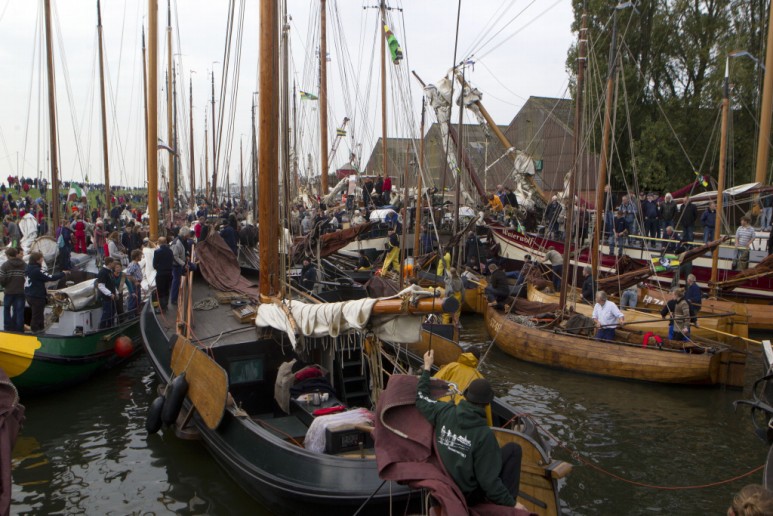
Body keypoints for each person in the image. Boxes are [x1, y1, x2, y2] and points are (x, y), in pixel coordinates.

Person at [417, 349, 522, 509]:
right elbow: (489, 484)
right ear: (487, 403)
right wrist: (514, 504)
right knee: (514, 450)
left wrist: (426, 367)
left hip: (445, 484)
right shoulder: (484, 435)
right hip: (467, 495)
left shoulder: (443, 411)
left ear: (466, 395)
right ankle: (504, 511)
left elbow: (422, 397)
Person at [24, 251, 68, 332]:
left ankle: (41, 329)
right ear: (37, 260)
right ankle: (35, 331)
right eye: (41, 258)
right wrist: (63, 273)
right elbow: (51, 277)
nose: (42, 260)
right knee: (37, 315)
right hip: (37, 296)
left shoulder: (28, 268)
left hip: (29, 295)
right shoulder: (37, 270)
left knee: (39, 314)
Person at [0, 248, 26, 331]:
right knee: (19, 311)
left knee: (7, 309)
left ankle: (7, 328)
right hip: (20, 291)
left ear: (8, 255)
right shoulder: (24, 264)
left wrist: (5, 285)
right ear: (16, 254)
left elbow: (2, 279)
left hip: (9, 291)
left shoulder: (5, 265)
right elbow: (27, 278)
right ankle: (19, 329)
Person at [152, 237, 174, 312]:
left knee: (160, 290)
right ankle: (165, 305)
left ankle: (161, 307)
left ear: (159, 242)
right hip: (169, 273)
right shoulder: (170, 251)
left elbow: (154, 265)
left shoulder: (157, 252)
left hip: (161, 274)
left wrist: (158, 268)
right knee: (166, 289)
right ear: (165, 242)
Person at [96, 257, 118, 329]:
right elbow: (101, 286)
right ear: (109, 263)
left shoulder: (110, 271)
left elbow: (112, 284)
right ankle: (102, 328)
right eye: (113, 263)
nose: (114, 264)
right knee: (107, 313)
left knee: (112, 312)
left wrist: (116, 292)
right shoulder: (103, 272)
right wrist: (109, 294)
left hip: (112, 296)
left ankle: (110, 326)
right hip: (106, 298)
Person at [170, 227, 190, 306]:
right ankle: (173, 299)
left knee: (177, 280)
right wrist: (183, 264)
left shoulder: (182, 240)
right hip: (176, 265)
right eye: (188, 235)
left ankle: (178, 295)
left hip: (180, 264)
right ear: (185, 235)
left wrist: (187, 255)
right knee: (176, 281)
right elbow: (175, 257)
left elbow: (185, 248)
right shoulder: (176, 243)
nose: (188, 236)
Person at [125, 249, 143, 316]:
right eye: (140, 255)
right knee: (133, 299)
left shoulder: (137, 264)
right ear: (136, 257)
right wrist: (135, 281)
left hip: (137, 284)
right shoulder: (133, 265)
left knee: (137, 299)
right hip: (134, 285)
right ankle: (131, 315)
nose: (141, 257)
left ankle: (136, 313)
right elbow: (128, 275)